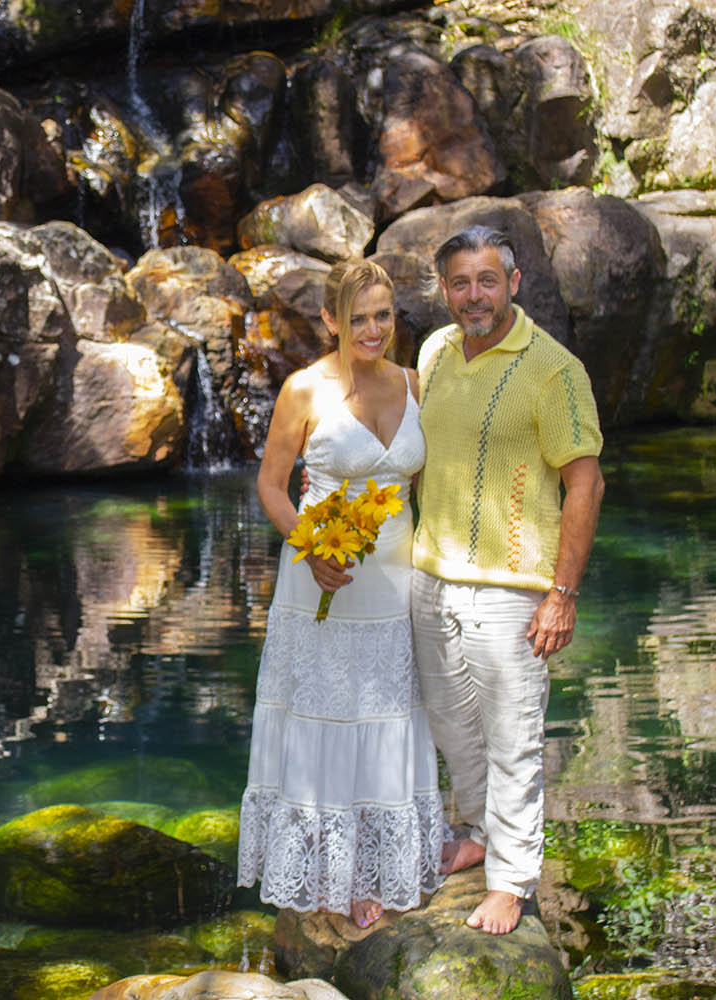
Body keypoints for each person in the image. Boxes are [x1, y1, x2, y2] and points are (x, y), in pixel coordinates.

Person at [408, 224, 605, 934]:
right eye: (460, 283)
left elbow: (586, 483)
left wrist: (562, 592)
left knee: (513, 731)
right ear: (445, 290)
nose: (474, 296)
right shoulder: (433, 352)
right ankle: (479, 835)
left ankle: (513, 878)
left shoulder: (554, 370)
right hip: (430, 577)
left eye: (487, 280)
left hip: (513, 585)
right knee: (452, 726)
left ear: (514, 283)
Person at [237, 259, 445, 928]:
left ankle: (382, 869)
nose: (373, 329)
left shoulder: (415, 383)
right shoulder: (304, 389)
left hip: (396, 583)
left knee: (388, 713)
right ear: (331, 320)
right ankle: (335, 875)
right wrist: (312, 547)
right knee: (328, 713)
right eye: (358, 318)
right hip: (322, 577)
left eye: (383, 315)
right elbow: (272, 485)